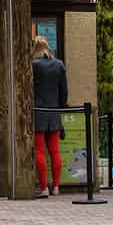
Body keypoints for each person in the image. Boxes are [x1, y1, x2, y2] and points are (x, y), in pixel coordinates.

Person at [32, 35, 67, 198]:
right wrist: (61, 107)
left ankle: (44, 187)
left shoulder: (33, 65)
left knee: (39, 151)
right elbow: (63, 91)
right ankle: (56, 187)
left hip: (38, 111)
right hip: (54, 112)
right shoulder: (59, 65)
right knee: (55, 151)